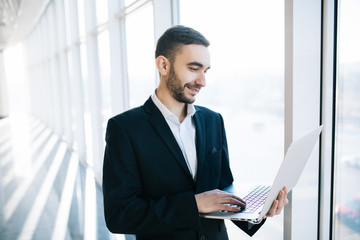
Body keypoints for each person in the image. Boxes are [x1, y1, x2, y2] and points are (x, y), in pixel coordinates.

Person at [102, 25, 288, 240]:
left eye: (205, 71)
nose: (203, 81)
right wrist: (193, 205)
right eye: (194, 68)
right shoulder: (125, 128)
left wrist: (259, 212)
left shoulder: (213, 120)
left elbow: (223, 190)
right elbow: (119, 215)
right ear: (163, 65)